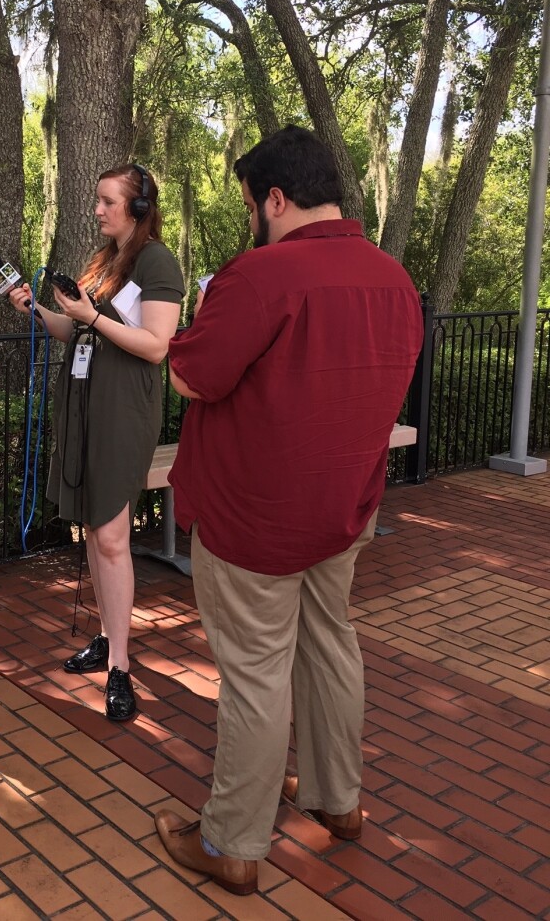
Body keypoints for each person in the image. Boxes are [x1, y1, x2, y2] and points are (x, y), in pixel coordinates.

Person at [153, 126, 424, 895]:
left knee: (255, 674)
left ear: (275, 198)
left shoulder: (260, 276)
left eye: (251, 205)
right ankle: (340, 802)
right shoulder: (394, 280)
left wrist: (209, 308)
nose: (250, 220)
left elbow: (193, 379)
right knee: (332, 646)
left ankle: (234, 841)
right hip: (342, 508)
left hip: (254, 517)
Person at [7, 163, 184, 721]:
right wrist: (38, 310)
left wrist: (92, 316)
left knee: (111, 536)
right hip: (83, 406)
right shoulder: (105, 261)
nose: (99, 210)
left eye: (109, 201)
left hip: (121, 412)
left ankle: (121, 669)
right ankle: (109, 640)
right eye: (98, 200)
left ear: (137, 208)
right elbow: (77, 329)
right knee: (95, 531)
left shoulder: (158, 261)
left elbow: (157, 346)